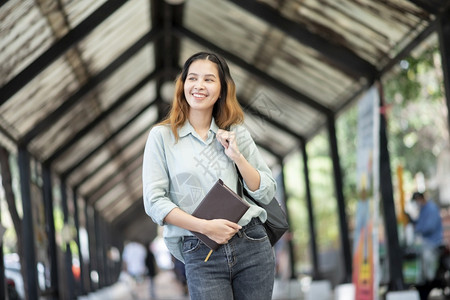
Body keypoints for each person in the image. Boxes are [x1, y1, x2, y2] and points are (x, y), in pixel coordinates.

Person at [142, 51, 277, 300]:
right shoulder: (161, 137)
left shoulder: (236, 133)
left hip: (251, 242)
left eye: (209, 79)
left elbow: (266, 190)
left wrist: (237, 157)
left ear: (221, 88)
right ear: (183, 85)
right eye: (193, 78)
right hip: (199, 248)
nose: (199, 86)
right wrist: (205, 228)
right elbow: (154, 201)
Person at [407, 191, 444, 300]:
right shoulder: (423, 210)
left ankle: (428, 278)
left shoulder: (431, 208)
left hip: (433, 242)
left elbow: (429, 227)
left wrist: (417, 229)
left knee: (425, 257)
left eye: (417, 200)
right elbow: (419, 223)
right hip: (425, 242)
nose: (416, 203)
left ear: (421, 198)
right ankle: (420, 281)